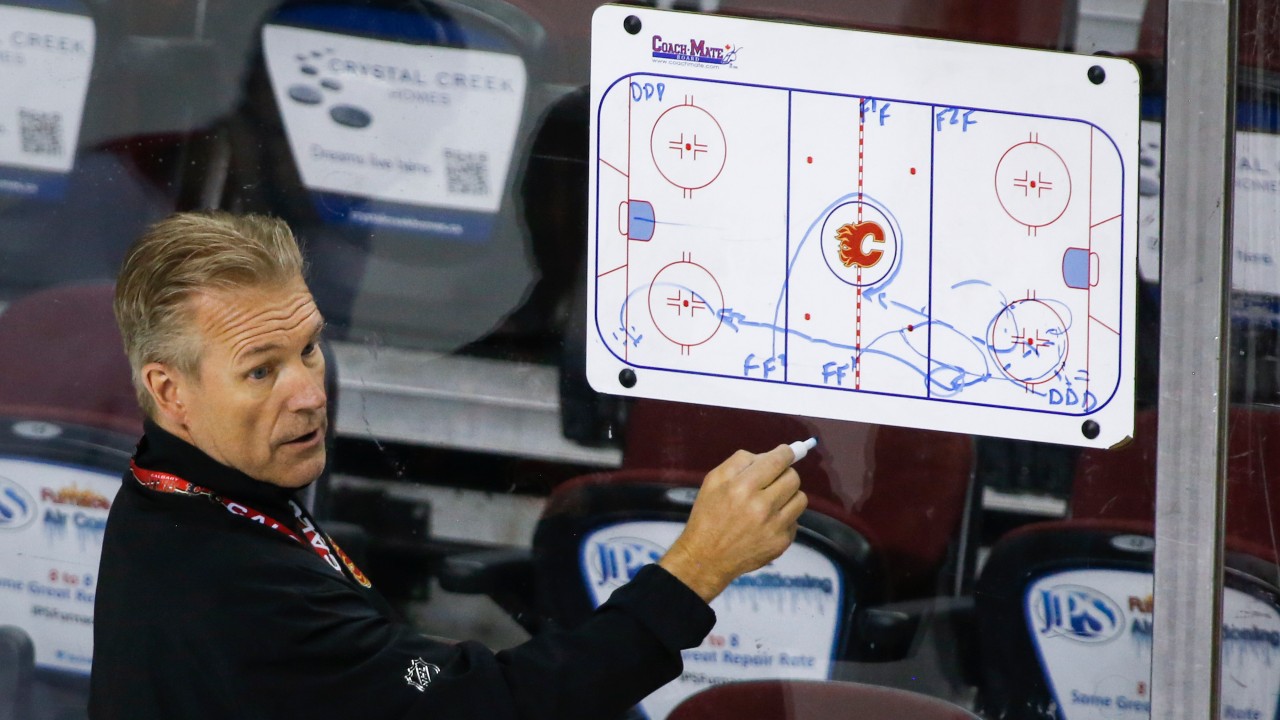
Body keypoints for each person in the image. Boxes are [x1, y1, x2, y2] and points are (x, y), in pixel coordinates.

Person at [90, 211, 809, 720]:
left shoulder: (177, 492)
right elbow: (496, 708)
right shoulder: (235, 587)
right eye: (260, 371)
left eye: (309, 349)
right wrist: (696, 567)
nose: (310, 393)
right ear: (168, 391)